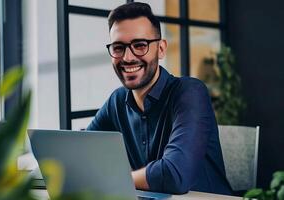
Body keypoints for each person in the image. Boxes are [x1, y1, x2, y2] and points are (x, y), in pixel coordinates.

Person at [87, 2, 233, 195]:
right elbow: (83, 153)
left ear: (161, 49)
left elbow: (173, 175)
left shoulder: (190, 92)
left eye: (140, 45)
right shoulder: (117, 100)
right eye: (118, 47)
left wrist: (115, 179)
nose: (128, 57)